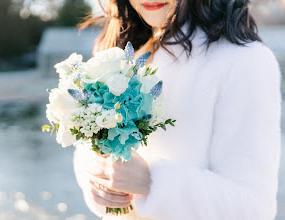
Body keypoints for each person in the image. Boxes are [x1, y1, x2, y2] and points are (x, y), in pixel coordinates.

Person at [73, 0, 282, 219]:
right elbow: (89, 153)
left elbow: (254, 208)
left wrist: (150, 181)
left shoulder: (246, 61)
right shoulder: (127, 54)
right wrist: (99, 183)